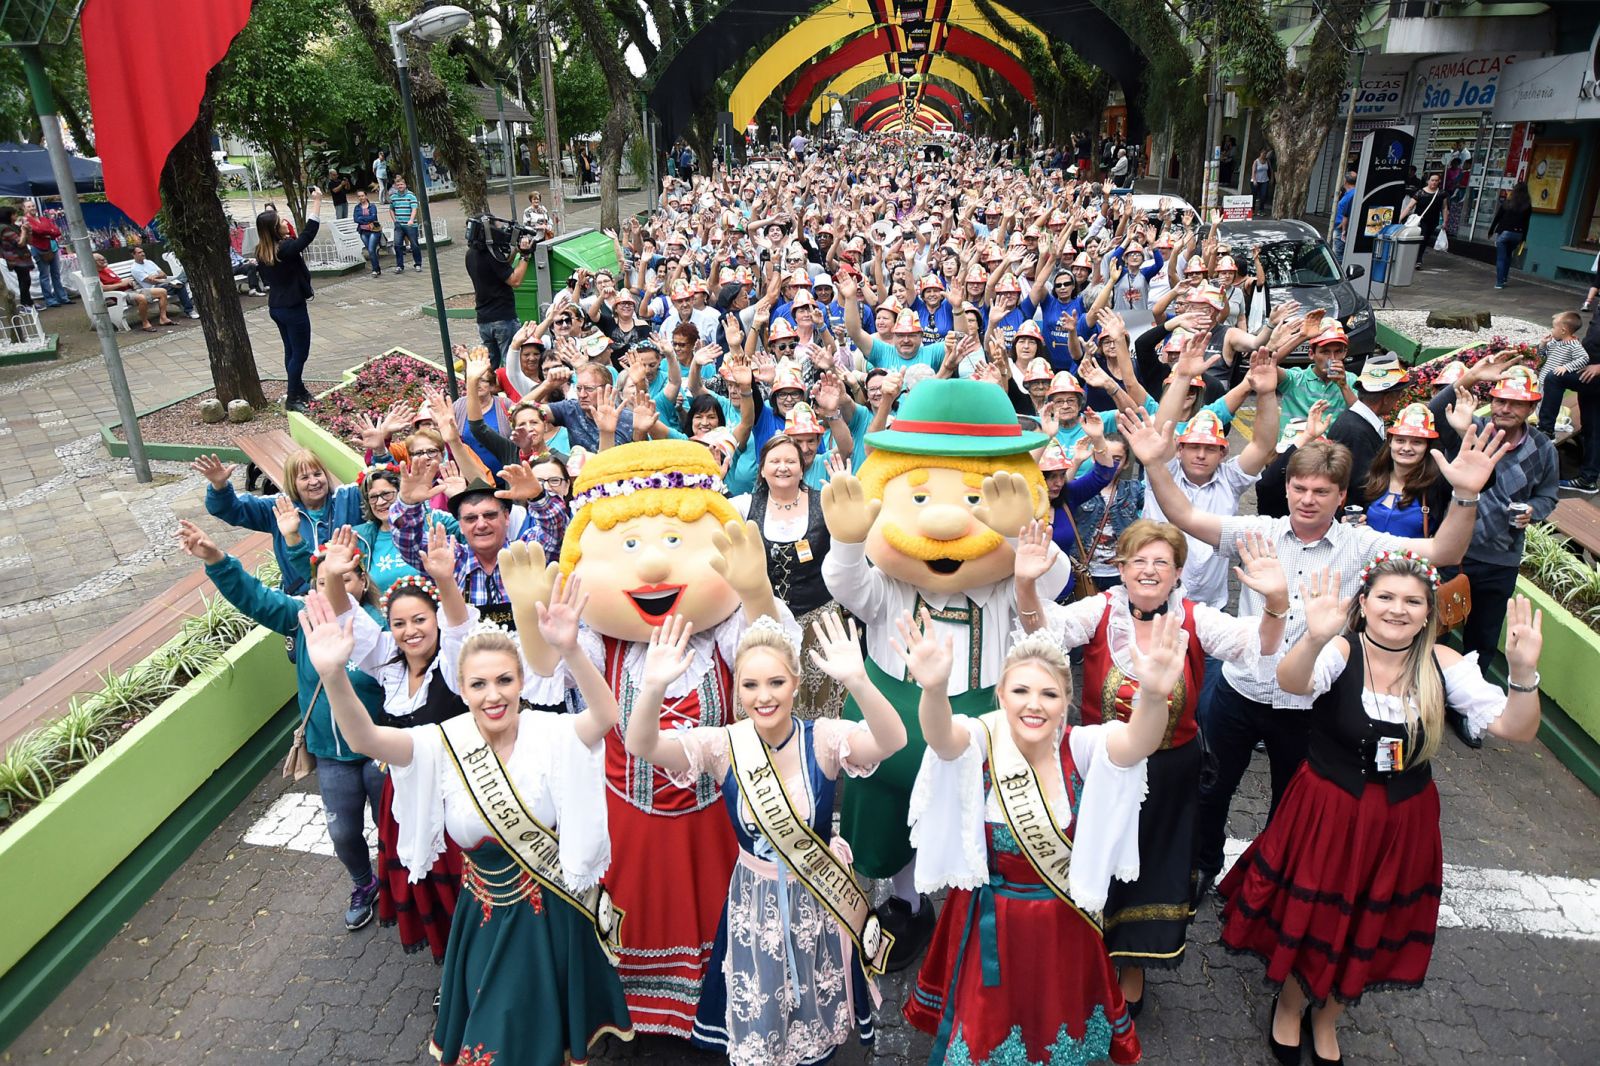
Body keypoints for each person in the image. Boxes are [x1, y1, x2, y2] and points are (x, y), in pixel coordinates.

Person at [1123, 407, 1509, 900]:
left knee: (1290, 805)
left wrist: (1467, 494)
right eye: (1299, 488)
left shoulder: (1362, 545)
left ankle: (1264, 887)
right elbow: (1183, 515)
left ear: (1342, 496)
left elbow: (1444, 551)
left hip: (1308, 704)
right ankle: (1199, 869)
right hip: (1240, 691)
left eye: (1322, 491)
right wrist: (1155, 463)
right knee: (1209, 789)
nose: (1308, 499)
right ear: (1286, 489)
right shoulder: (1257, 532)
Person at [302, 570, 635, 1066]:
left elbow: (605, 716)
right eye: (478, 684)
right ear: (461, 687)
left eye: (504, 680)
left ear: (522, 682)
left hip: (554, 910)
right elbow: (365, 739)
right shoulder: (443, 743)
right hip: (484, 916)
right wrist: (333, 676)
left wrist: (569, 649)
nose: (493, 695)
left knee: (548, 1035)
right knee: (498, 1035)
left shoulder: (550, 733)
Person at [1222, 555, 1543, 1066]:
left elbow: (1516, 729)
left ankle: (1328, 1017)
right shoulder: (1340, 650)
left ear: (1428, 611)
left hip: (1402, 823)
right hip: (1328, 811)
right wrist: (1313, 639)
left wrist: (1523, 675)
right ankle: (1291, 1004)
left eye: (1413, 601)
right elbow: (1292, 683)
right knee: (1318, 912)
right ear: (1364, 603)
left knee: (1368, 923)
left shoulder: (1442, 662)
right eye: (1386, 597)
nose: (1398, 609)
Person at [1017, 520, 1288, 1015]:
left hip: (1169, 775)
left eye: (1161, 561)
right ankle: (1088, 954)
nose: (1149, 569)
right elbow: (1043, 635)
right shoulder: (1100, 610)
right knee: (1094, 860)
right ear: (1120, 569)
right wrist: (1024, 584)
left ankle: (1134, 963)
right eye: (1138, 560)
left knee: (1152, 868)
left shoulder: (1195, 618)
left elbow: (1261, 645)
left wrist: (1275, 602)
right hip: (1102, 771)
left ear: (1178, 572)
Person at [900, 610, 1190, 1066]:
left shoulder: (1081, 747)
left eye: (1049, 694)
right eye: (1020, 691)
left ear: (1066, 701)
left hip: (1060, 924)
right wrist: (934, 690)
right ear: (1001, 694)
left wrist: (1154, 696)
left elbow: (1138, 743)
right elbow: (941, 738)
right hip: (989, 923)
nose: (1034, 705)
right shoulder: (981, 737)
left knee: (1054, 1033)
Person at [626, 612, 906, 1066]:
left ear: (795, 683)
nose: (764, 696)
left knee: (815, 1019)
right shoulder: (723, 746)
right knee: (763, 1017)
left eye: (776, 682)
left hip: (818, 900)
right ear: (737, 691)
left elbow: (892, 740)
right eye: (750, 685)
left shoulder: (823, 739)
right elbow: (642, 745)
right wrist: (654, 686)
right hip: (754, 905)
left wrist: (858, 681)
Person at [176, 519, 388, 932]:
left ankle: (401, 882)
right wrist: (216, 559)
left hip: (381, 750)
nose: (336, 587)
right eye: (326, 581)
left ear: (363, 581)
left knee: (391, 828)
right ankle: (365, 884)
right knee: (343, 833)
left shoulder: (379, 625)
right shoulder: (300, 618)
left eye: (345, 578)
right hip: (331, 754)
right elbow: (254, 598)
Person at [317, 524, 470, 964]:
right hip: (404, 796)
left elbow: (460, 628)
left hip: (457, 795)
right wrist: (333, 575)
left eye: (420, 619)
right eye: (399, 623)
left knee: (467, 888)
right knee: (428, 886)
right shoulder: (388, 662)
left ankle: (477, 967)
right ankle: (451, 969)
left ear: (436, 620)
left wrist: (444, 579)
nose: (409, 631)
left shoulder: (454, 663)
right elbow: (346, 616)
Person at [1427, 363, 1558, 744]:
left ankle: (1468, 710)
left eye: (1515, 403)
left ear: (1531, 408)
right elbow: (1429, 421)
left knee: (1482, 637)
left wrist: (1534, 510)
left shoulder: (1543, 449)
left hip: (1501, 558)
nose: (1504, 408)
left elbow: (1548, 494)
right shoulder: (1471, 429)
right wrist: (1464, 392)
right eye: (1500, 400)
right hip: (1454, 551)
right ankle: (1426, 696)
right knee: (1434, 628)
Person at [730, 435, 840, 718]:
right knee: (766, 698)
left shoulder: (825, 502)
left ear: (802, 469)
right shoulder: (744, 506)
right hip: (764, 621)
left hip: (817, 618)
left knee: (816, 705)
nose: (783, 467)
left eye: (790, 461)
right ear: (762, 469)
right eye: (775, 461)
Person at [193, 446, 365, 595]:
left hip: (350, 593)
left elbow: (376, 484)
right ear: (293, 483)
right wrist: (220, 486)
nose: (314, 482)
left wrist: (378, 451)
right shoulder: (280, 507)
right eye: (304, 478)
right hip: (304, 597)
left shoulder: (347, 498)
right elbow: (232, 509)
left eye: (318, 474)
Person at [255, 187, 323, 412]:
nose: (285, 221)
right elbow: (308, 235)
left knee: (291, 351)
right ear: (275, 229)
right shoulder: (284, 249)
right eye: (281, 221)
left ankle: (299, 390)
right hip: (293, 308)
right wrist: (317, 202)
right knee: (300, 353)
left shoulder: (262, 251)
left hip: (276, 307)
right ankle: (293, 398)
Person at [465, 225, 535, 369]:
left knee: (490, 367)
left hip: (483, 319)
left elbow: (500, 268)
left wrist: (514, 251)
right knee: (512, 362)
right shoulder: (492, 254)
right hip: (503, 318)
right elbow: (515, 280)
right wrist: (525, 255)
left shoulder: (470, 254)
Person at [1533, 311, 1588, 435]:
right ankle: (1540, 424)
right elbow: (1542, 355)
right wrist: (1543, 344)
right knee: (1538, 405)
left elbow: (1584, 359)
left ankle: (1544, 428)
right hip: (1543, 379)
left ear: (1563, 330)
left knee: (1545, 406)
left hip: (1552, 383)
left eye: (1553, 327)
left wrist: (1566, 367)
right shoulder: (1554, 342)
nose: (1551, 330)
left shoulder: (1574, 345)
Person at [20, 201, 70, 307]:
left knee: (56, 274)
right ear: (24, 209)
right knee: (45, 275)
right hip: (39, 248)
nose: (32, 208)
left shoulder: (43, 218)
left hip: (53, 247)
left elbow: (57, 231)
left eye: (33, 205)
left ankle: (62, 297)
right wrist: (49, 231)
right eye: (29, 206)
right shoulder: (26, 220)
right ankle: (50, 300)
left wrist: (47, 233)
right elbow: (38, 231)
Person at [92, 252, 159, 330]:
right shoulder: (95, 274)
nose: (104, 260)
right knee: (141, 298)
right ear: (94, 263)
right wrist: (121, 284)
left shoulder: (107, 270)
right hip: (119, 296)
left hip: (130, 291)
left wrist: (128, 282)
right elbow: (103, 288)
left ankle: (163, 318)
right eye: (100, 260)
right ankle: (145, 323)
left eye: (104, 259)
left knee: (161, 292)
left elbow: (118, 281)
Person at [128, 246, 198, 319]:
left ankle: (178, 283)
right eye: (139, 252)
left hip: (165, 282)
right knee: (179, 285)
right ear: (133, 254)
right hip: (154, 288)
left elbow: (164, 275)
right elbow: (152, 282)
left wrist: (155, 276)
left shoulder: (149, 262)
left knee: (185, 274)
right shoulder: (135, 268)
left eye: (143, 251)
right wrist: (161, 279)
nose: (143, 254)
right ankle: (190, 311)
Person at [1488, 181, 1532, 290]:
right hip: (1517, 234)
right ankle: (1504, 278)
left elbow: (1497, 217)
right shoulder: (1527, 206)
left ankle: (1499, 283)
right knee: (1508, 255)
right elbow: (1526, 223)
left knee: (1501, 258)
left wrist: (1491, 231)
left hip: (1504, 232)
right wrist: (1523, 238)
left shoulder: (1507, 203)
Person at [1401, 172, 1447, 263]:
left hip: (1433, 220)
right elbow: (1409, 206)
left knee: (1425, 239)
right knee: (1421, 237)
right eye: (1432, 180)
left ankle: (1418, 257)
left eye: (1436, 180)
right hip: (1420, 220)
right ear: (1428, 181)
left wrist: (1445, 221)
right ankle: (1417, 259)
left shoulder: (1442, 194)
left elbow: (1444, 208)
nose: (1434, 182)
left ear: (1439, 182)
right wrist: (1400, 217)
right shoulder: (1420, 192)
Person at [389, 176, 423, 274]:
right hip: (399, 225)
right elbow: (391, 209)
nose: (400, 186)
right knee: (397, 245)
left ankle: (418, 264)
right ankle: (399, 265)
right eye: (398, 185)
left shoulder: (411, 195)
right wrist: (395, 220)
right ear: (396, 186)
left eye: (401, 184)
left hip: (410, 225)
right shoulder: (393, 197)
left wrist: (411, 220)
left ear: (405, 185)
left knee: (414, 245)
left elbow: (414, 209)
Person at [352, 189, 383, 278]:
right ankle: (377, 268)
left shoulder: (372, 206)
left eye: (362, 196)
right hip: (363, 231)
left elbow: (373, 217)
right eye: (359, 196)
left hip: (374, 230)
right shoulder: (357, 207)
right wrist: (366, 220)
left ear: (366, 196)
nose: (361, 198)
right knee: (370, 250)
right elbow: (356, 219)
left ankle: (374, 270)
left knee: (371, 249)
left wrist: (362, 219)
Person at [1332, 172, 1357, 264]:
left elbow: (1347, 214)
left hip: (1341, 229)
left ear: (1345, 181)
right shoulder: (1349, 193)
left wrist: (1342, 228)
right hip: (1340, 228)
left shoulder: (1353, 194)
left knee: (1338, 257)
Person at [1250, 149, 1273, 217]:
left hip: (1265, 180)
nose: (1264, 155)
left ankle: (1261, 210)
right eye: (1263, 153)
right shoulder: (1256, 161)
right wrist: (1254, 180)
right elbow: (1253, 171)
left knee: (1263, 195)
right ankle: (1252, 210)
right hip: (1256, 180)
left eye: (1265, 153)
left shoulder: (1267, 161)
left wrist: (1271, 178)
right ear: (1260, 153)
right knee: (1254, 196)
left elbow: (1271, 170)